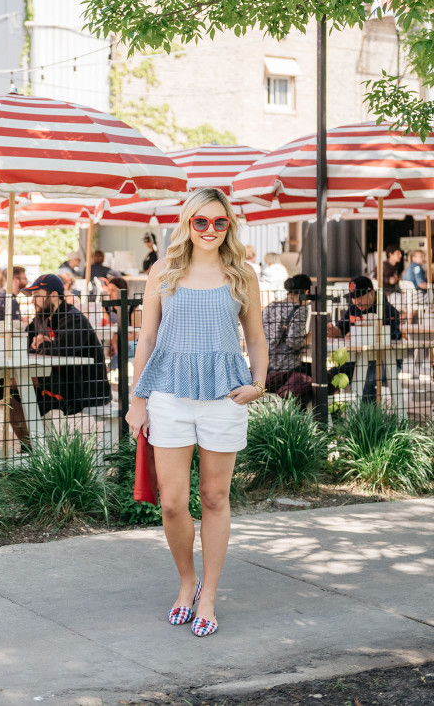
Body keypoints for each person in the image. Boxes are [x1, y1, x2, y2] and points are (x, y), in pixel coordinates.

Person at [126, 186, 268, 637]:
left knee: (214, 498)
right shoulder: (163, 271)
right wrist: (136, 399)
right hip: (168, 394)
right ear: (187, 223)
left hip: (225, 396)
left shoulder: (241, 274)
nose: (210, 229)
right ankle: (187, 582)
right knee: (171, 504)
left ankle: (208, 596)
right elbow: (146, 339)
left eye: (219, 222)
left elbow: (257, 338)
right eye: (200, 221)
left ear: (229, 226)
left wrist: (258, 384)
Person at [25, 273, 111, 417]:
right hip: (60, 382)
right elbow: (25, 342)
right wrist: (38, 344)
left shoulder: (74, 319)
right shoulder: (41, 318)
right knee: (14, 390)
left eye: (37, 295)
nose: (33, 301)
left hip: (83, 390)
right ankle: (31, 439)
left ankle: (33, 438)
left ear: (53, 295)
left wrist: (41, 344)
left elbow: (62, 348)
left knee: (23, 394)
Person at [327, 275, 401, 400]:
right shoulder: (352, 310)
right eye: (353, 298)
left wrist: (360, 334)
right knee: (329, 377)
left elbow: (391, 336)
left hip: (385, 361)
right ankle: (332, 416)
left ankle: (367, 418)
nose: (357, 301)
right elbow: (341, 329)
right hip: (355, 360)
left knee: (366, 379)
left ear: (371, 293)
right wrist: (334, 331)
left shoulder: (389, 311)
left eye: (360, 297)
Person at [262, 274, 312, 407]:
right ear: (307, 292)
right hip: (288, 371)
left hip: (266, 370)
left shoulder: (270, 307)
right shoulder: (300, 309)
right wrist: (308, 339)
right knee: (316, 377)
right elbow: (293, 342)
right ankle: (306, 421)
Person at [102, 275, 143, 369]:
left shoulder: (133, 306)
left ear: (122, 290)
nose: (109, 293)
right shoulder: (107, 307)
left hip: (132, 343)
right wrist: (114, 342)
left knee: (124, 347)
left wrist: (118, 340)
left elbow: (135, 334)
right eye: (108, 290)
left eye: (113, 290)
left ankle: (107, 370)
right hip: (113, 342)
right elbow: (108, 328)